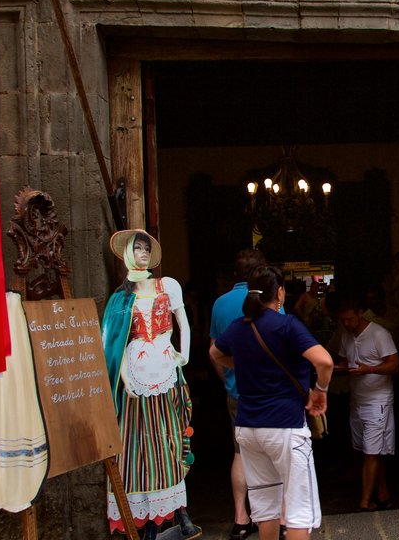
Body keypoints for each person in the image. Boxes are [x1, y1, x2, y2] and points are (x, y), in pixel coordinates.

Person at [211, 265, 334, 540]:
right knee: (298, 509)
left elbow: (214, 353)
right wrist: (320, 390)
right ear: (279, 293)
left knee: (265, 506)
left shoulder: (239, 327)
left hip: (249, 428)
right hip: (285, 426)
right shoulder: (287, 324)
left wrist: (242, 366)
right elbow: (324, 360)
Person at [102, 229, 201, 540]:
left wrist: (183, 356)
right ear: (127, 254)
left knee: (169, 440)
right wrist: (122, 375)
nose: (143, 252)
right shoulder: (119, 298)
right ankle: (143, 520)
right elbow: (113, 343)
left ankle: (180, 511)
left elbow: (183, 323)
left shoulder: (167, 286)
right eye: (137, 248)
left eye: (146, 247)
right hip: (135, 376)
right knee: (135, 446)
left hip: (166, 371)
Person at [208, 249, 267, 540]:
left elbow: (214, 352)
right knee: (270, 453)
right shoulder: (267, 300)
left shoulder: (219, 304)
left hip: (236, 391)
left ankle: (241, 518)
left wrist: (229, 380)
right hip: (267, 393)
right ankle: (269, 517)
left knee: (240, 453)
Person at [334, 294, 399, 512]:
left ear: (360, 313)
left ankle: (364, 502)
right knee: (370, 449)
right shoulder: (346, 334)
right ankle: (383, 494)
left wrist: (370, 369)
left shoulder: (379, 334)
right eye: (343, 320)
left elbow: (395, 365)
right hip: (357, 399)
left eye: (350, 319)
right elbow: (345, 361)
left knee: (372, 452)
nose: (346, 324)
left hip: (378, 400)